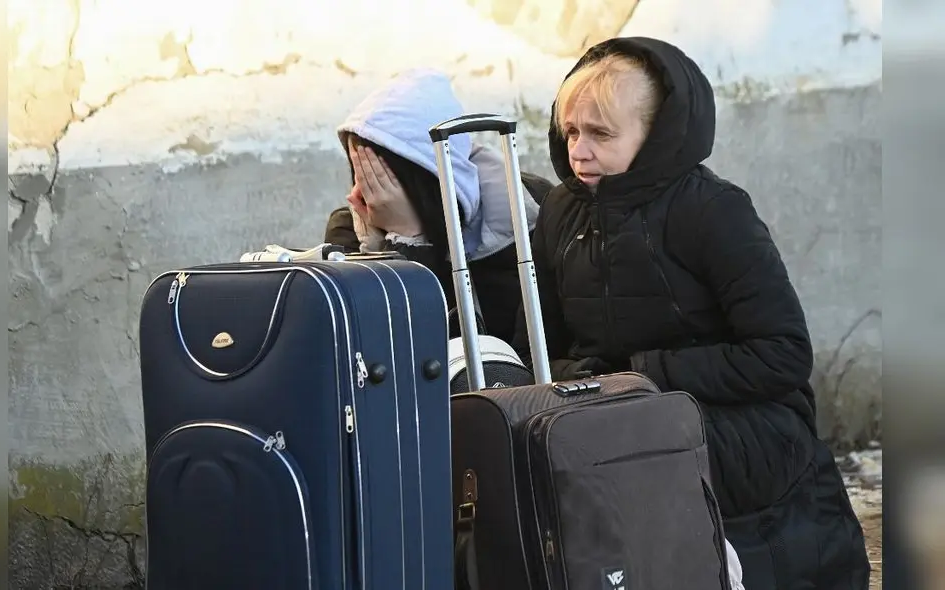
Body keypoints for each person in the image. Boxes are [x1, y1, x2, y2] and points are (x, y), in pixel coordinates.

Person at [512, 36, 871, 589]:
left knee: (635, 465)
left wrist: (643, 377)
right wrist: (577, 382)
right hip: (614, 416)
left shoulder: (714, 211)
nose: (579, 151)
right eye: (572, 132)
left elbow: (783, 354)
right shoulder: (562, 213)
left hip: (741, 423)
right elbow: (535, 345)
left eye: (601, 134)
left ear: (656, 136)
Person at [323, 68, 553, 343]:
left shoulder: (523, 212)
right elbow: (383, 351)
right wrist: (403, 242)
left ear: (424, 178)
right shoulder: (349, 231)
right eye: (358, 170)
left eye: (377, 176)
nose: (358, 193)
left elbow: (479, 349)